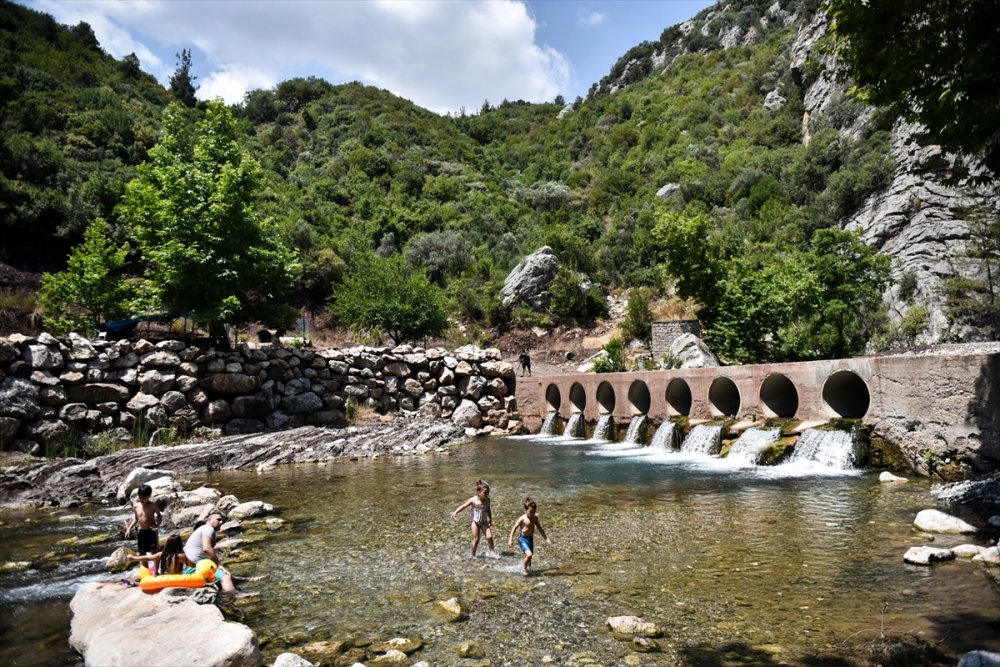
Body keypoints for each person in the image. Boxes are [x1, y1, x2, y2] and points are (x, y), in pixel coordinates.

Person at [183, 512, 236, 591]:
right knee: (225, 576)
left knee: (226, 576)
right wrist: (219, 565)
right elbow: (207, 548)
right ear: (209, 520)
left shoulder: (201, 529)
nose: (221, 522)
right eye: (218, 519)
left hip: (188, 568)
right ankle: (235, 596)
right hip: (196, 566)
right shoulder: (208, 528)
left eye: (222, 521)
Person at [451, 479, 500, 559]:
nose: (487, 494)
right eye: (485, 493)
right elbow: (464, 506)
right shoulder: (473, 500)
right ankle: (473, 554)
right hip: (475, 521)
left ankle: (492, 552)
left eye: (488, 492)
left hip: (484, 521)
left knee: (489, 537)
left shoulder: (487, 500)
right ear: (479, 493)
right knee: (476, 539)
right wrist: (456, 512)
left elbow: (488, 509)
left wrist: (490, 519)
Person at [507, 496, 551, 576]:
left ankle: (528, 570)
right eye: (530, 512)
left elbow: (540, 528)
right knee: (529, 554)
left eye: (534, 512)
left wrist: (546, 538)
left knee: (530, 559)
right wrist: (510, 539)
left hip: (530, 539)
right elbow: (514, 528)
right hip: (523, 539)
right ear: (525, 510)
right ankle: (523, 569)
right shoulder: (522, 519)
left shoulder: (535, 518)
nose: (532, 514)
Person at [124, 484, 162, 575]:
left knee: (154, 551)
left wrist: (157, 525)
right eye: (140, 497)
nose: (142, 499)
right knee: (142, 553)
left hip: (151, 531)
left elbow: (159, 516)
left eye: (144, 497)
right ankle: (146, 572)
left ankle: (156, 572)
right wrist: (129, 528)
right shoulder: (136, 506)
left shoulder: (153, 505)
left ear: (149, 496)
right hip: (142, 532)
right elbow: (136, 519)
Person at [126, 534, 192, 575]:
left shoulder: (162, 554)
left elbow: (148, 558)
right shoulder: (180, 556)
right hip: (177, 579)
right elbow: (193, 565)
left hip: (164, 578)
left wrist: (133, 558)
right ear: (179, 545)